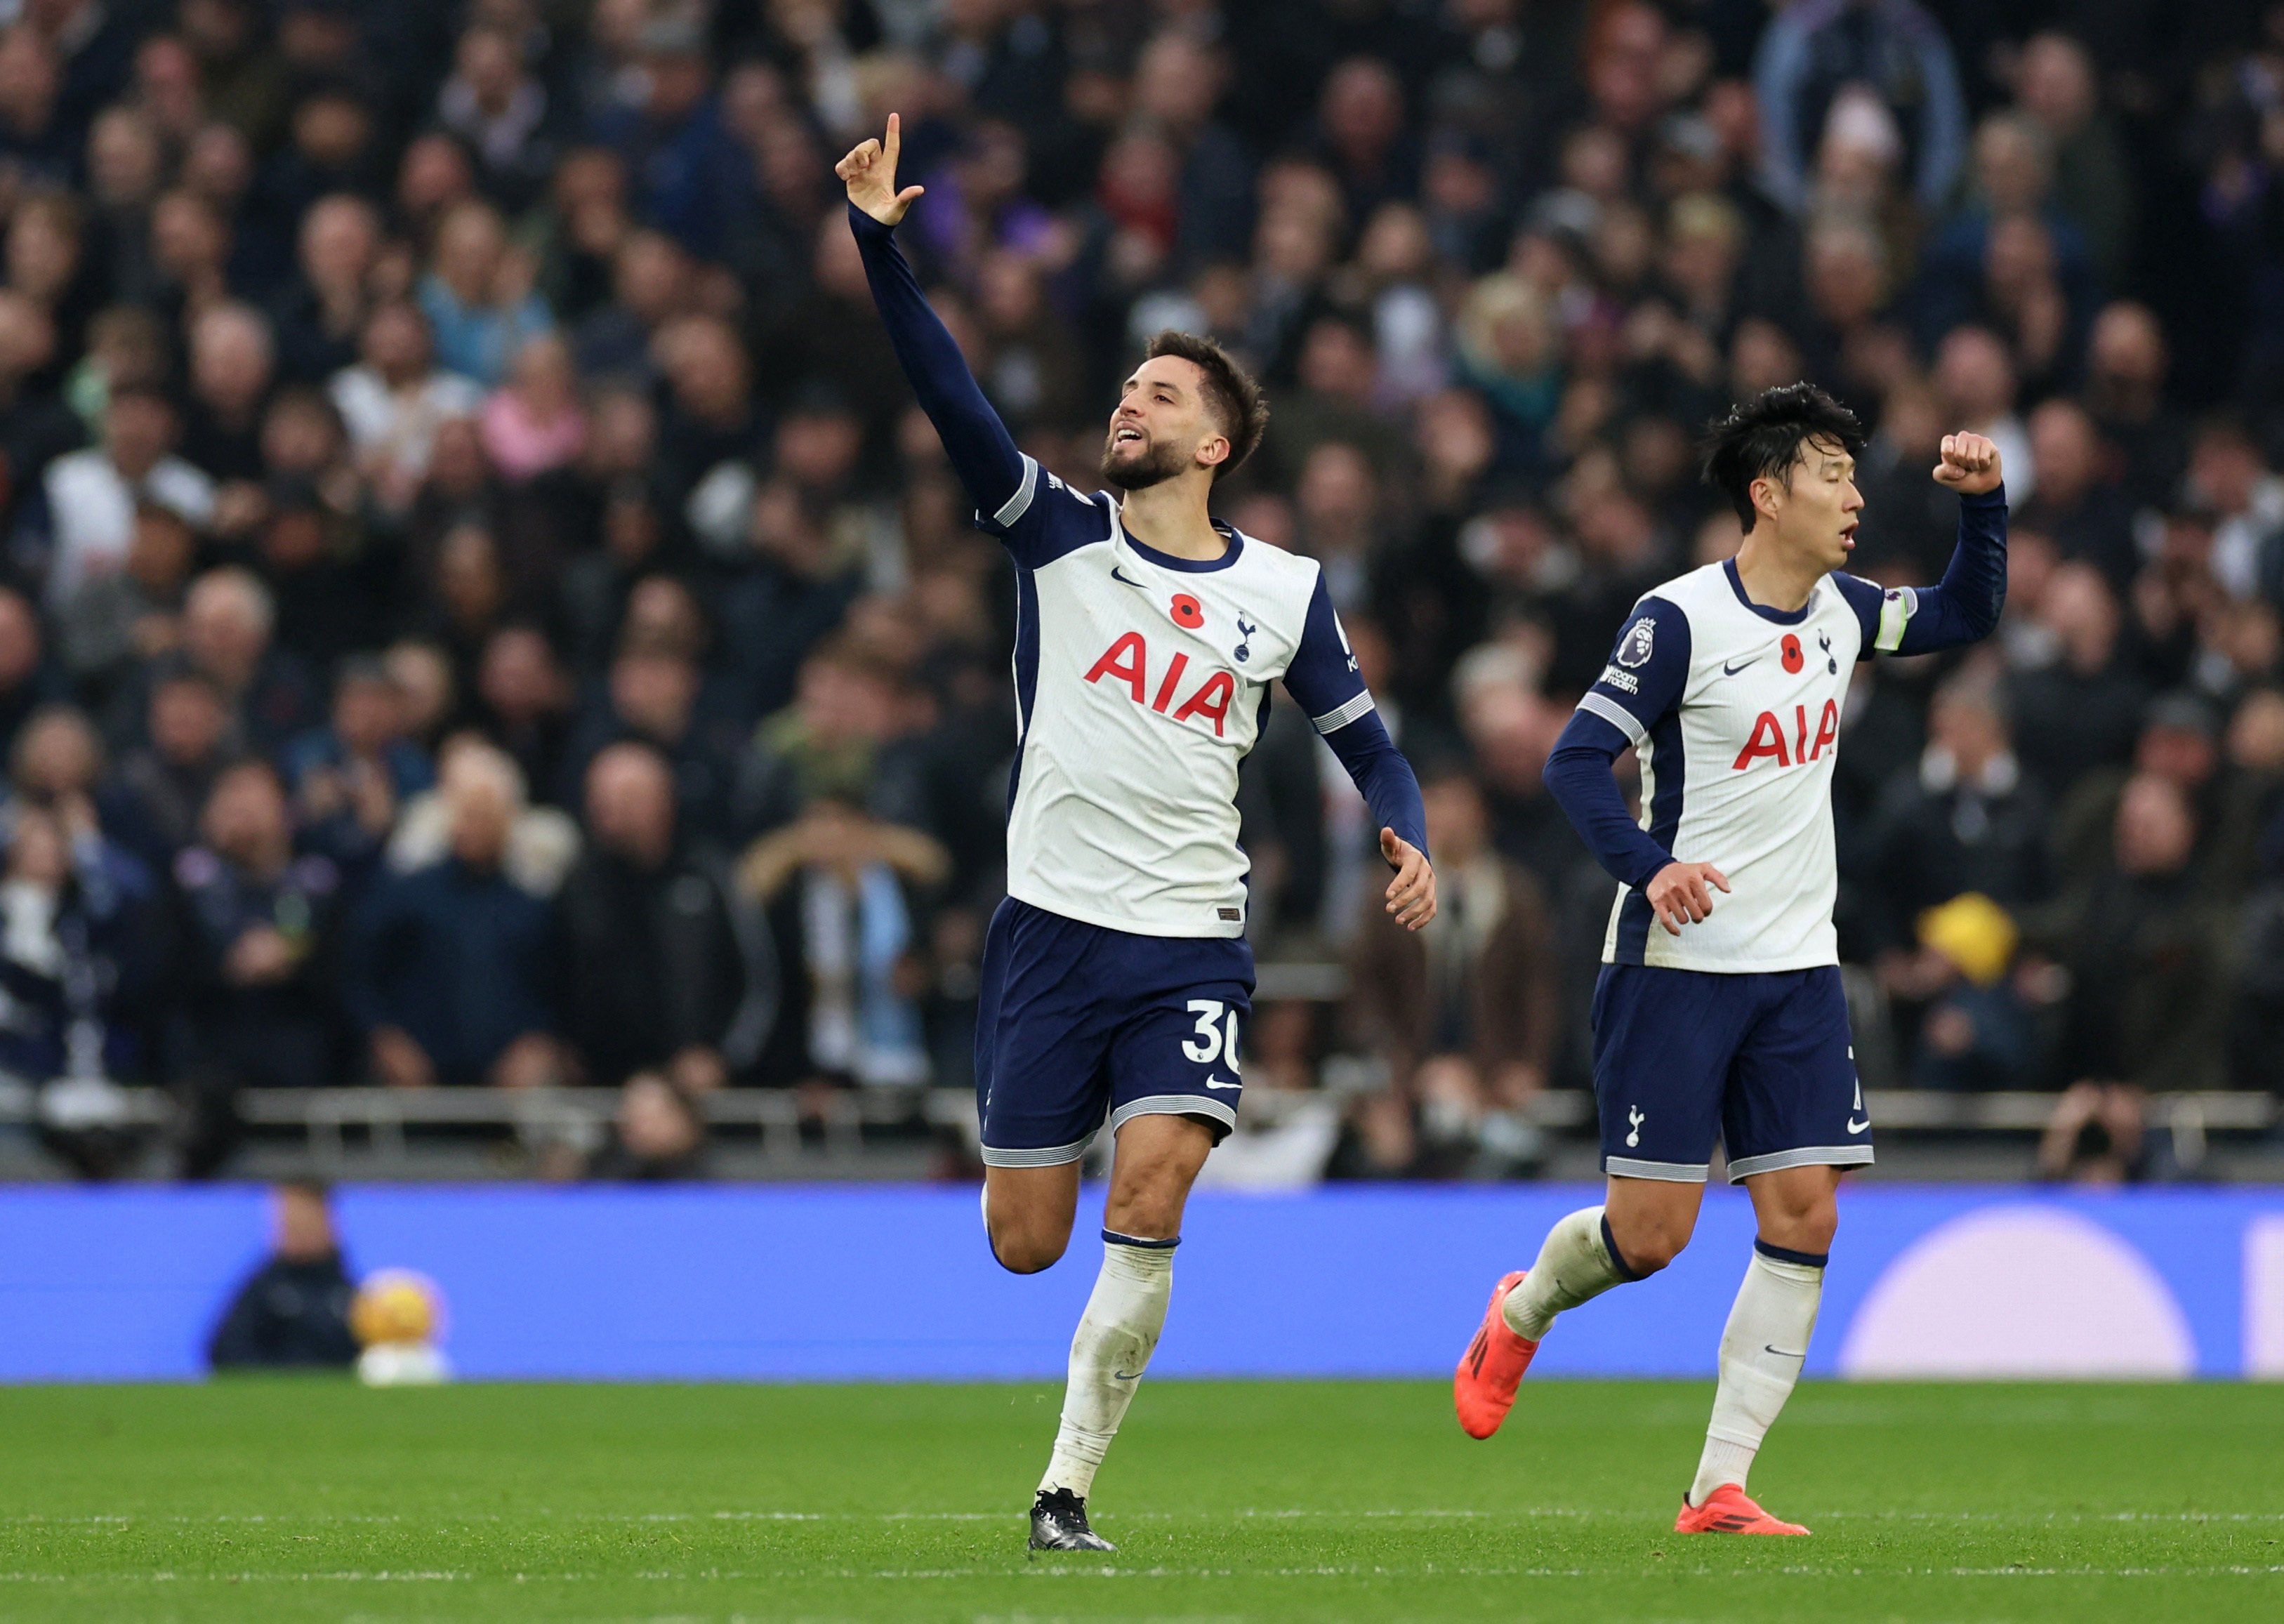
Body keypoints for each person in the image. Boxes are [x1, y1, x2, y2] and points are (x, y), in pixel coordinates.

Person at [838, 116, 1434, 1554]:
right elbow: (951, 399)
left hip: (1190, 942)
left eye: (1157, 394)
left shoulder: (1285, 590)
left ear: (1212, 440)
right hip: (1049, 929)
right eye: (1125, 387)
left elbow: (1364, 737)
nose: (1129, 404)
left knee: (1157, 1183)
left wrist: (1405, 833)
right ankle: (1064, 1355)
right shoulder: (1061, 537)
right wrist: (880, 245)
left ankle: (1065, 1490)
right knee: (1026, 1237)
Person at [1454, 384, 2007, 1535]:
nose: (1853, 497)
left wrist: (1986, 506)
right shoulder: (1677, 621)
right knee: (1649, 1236)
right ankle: (1521, 1308)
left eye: (1854, 476)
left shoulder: (1844, 612)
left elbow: (1961, 614)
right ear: (1767, 493)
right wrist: (1648, 864)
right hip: (1672, 965)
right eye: (1829, 476)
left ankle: (1716, 1485)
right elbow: (1572, 762)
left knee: (1804, 1213)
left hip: (1797, 968)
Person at [206, 1180, 359, 1370]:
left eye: (304, 1220)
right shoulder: (264, 1289)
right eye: (287, 1221)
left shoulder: (348, 1293)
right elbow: (225, 1350)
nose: (295, 1229)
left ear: (327, 1221)